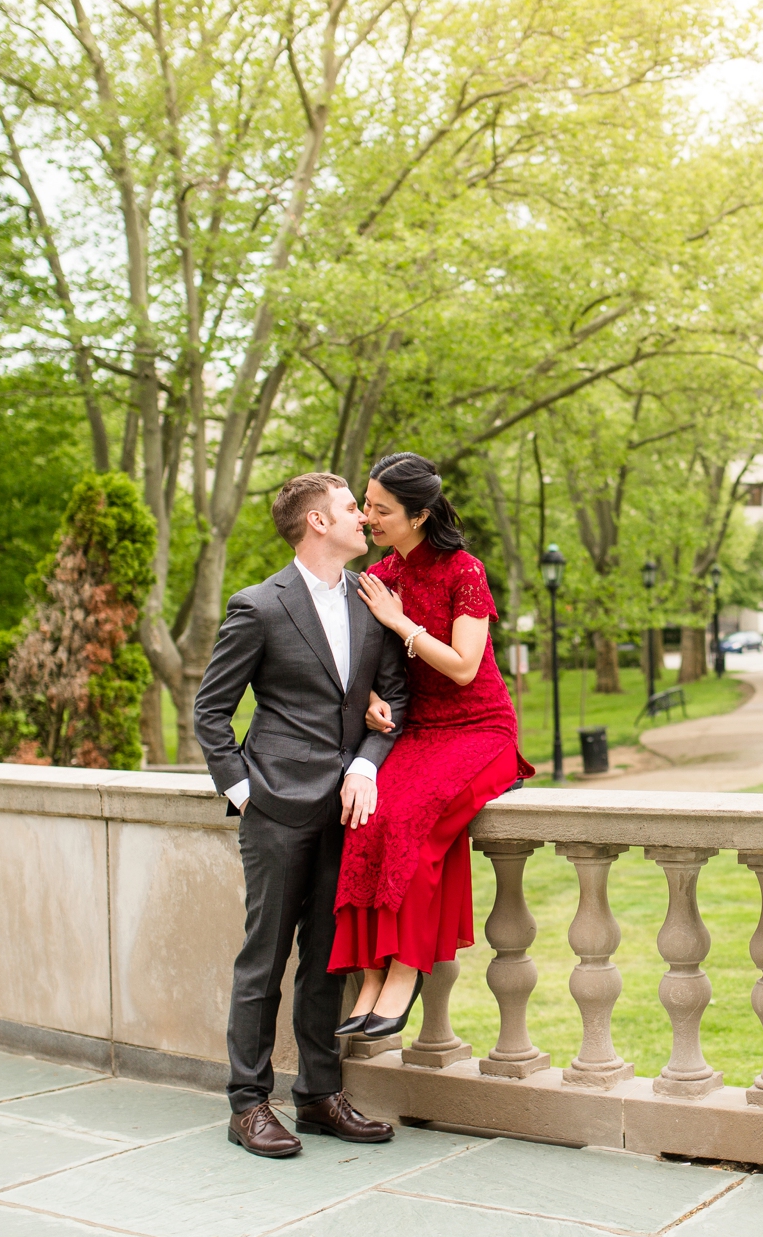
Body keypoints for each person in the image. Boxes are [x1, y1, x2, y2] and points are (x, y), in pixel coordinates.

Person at [193, 473, 408, 1158]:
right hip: (275, 809)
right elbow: (211, 711)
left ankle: (318, 1096)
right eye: (352, 508)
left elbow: (393, 701)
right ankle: (247, 1103)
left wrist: (368, 762)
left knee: (325, 961)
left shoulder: (372, 602)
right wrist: (244, 792)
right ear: (317, 522)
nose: (362, 519)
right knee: (264, 959)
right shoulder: (258, 606)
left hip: (348, 813)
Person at [330, 452, 533, 1034]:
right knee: (366, 816)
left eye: (381, 509)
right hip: (419, 731)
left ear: (418, 516)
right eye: (366, 505)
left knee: (415, 819)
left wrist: (400, 623)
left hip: (480, 728)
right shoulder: (381, 577)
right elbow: (367, 665)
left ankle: (405, 969)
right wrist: (371, 697)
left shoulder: (463, 570)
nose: (368, 518)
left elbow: (466, 667)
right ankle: (370, 970)